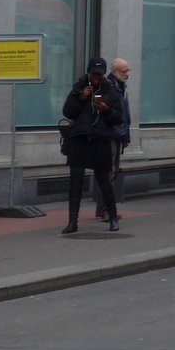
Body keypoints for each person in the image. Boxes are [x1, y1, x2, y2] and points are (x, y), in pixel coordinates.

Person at [61, 57, 124, 233]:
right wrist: (81, 97)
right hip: (79, 139)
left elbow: (118, 118)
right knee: (76, 181)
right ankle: (72, 222)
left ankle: (113, 217)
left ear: (103, 74)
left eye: (99, 74)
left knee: (104, 180)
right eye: (94, 73)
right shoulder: (79, 87)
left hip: (100, 139)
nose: (96, 77)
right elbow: (67, 112)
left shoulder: (110, 91)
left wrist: (106, 109)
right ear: (89, 72)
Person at [94, 57, 132, 221]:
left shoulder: (120, 86)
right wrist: (120, 132)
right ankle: (106, 210)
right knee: (108, 172)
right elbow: (109, 114)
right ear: (114, 72)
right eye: (125, 71)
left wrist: (126, 135)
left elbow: (125, 113)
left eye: (128, 70)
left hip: (118, 134)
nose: (128, 74)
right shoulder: (109, 87)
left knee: (112, 172)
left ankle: (104, 209)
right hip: (110, 134)